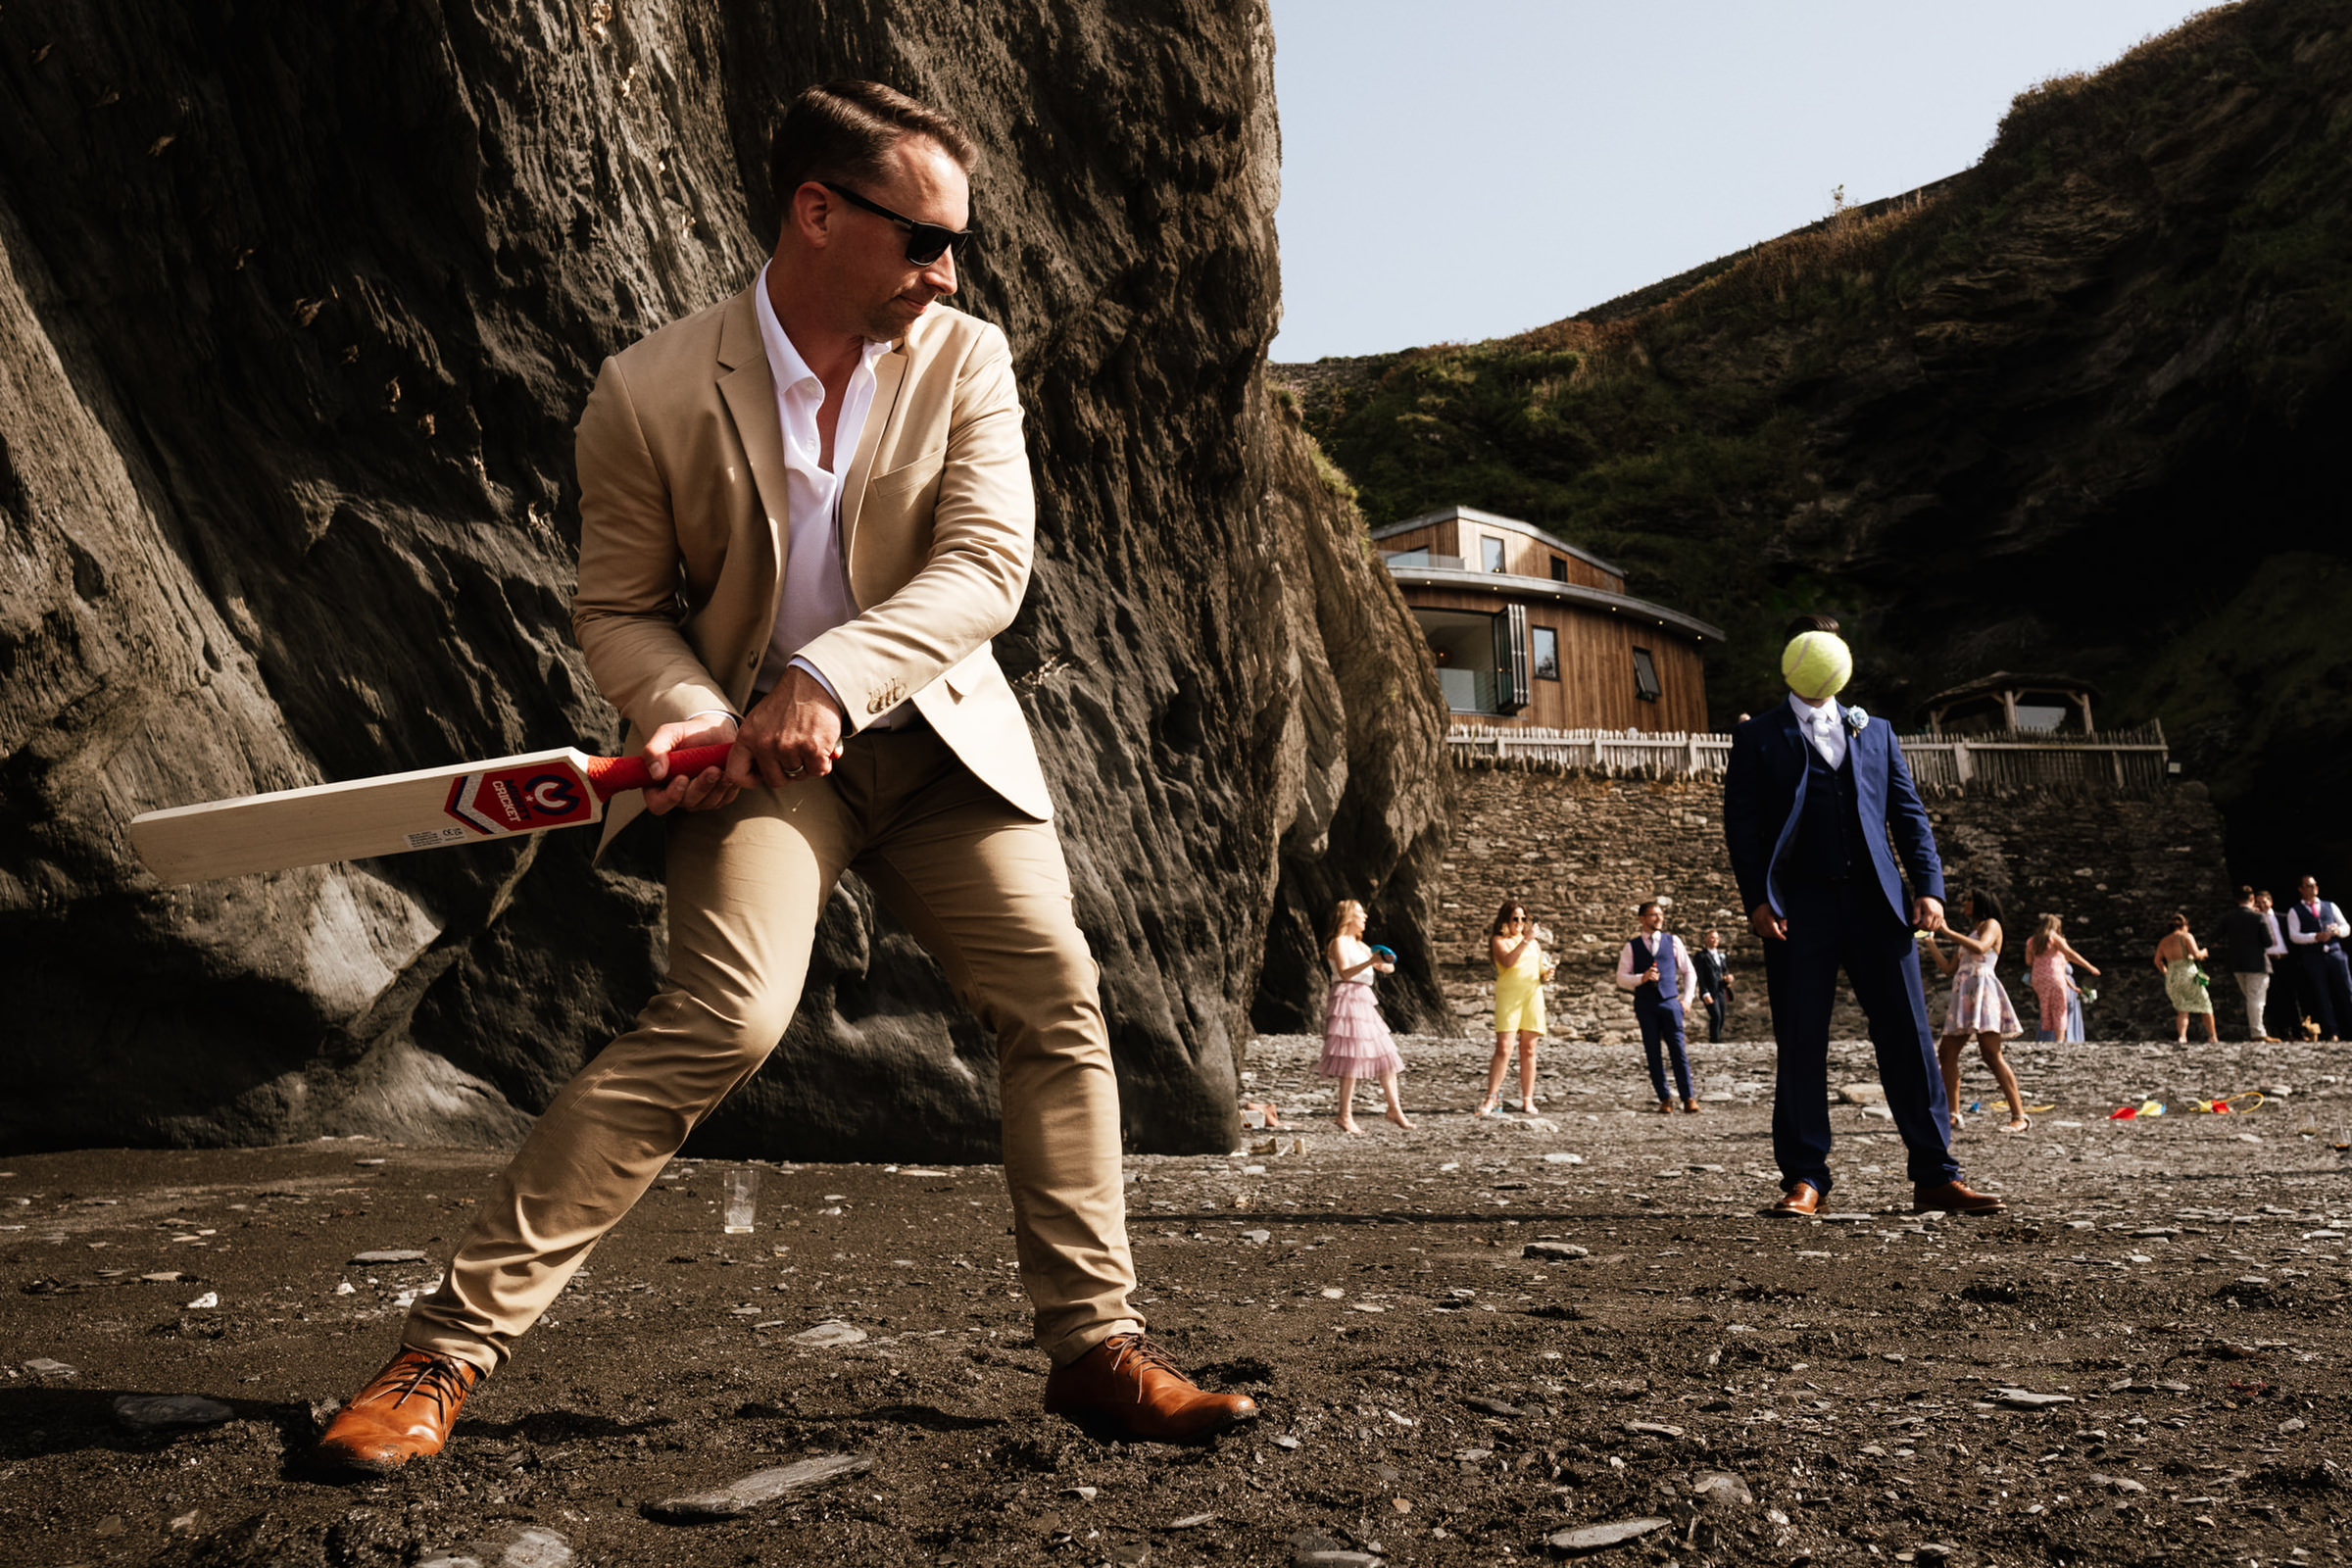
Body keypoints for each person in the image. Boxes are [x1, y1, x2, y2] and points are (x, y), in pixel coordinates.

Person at [312, 81, 1255, 1474]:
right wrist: (694, 715)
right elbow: (618, 607)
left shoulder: (968, 359)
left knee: (1056, 995)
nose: (949, 272)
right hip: (755, 770)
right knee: (726, 1018)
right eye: (925, 238)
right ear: (818, 211)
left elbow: (986, 568)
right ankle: (442, 1351)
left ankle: (1096, 1350)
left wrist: (825, 680)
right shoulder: (646, 389)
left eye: (958, 243)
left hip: (936, 747)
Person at [1723, 614, 2004, 1218]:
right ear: (1794, 659)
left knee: (1909, 1038)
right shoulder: (1758, 737)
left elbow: (1909, 815)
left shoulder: (1875, 731)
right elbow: (1742, 829)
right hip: (1799, 909)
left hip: (1880, 904)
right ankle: (1805, 1178)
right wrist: (1757, 900)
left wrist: (1930, 889)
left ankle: (1936, 1174)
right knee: (1801, 1041)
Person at [1925, 891, 2029, 1134]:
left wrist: (1948, 932)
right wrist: (1930, 943)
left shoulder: (1992, 925)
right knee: (1946, 1053)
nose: (1963, 904)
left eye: (1968, 900)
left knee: (1991, 1054)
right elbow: (1949, 968)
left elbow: (1982, 948)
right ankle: (1953, 1114)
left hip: (1984, 991)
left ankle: (2019, 1116)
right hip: (1964, 994)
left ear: (1981, 902)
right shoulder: (1970, 934)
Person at [1321, 901, 1410, 1134]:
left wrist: (1384, 962)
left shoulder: (1360, 944)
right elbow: (1344, 973)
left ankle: (1394, 1109)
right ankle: (1344, 1115)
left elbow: (1386, 968)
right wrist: (1370, 961)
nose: (1365, 917)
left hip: (1364, 999)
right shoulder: (1338, 942)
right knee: (1352, 1055)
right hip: (1346, 997)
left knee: (1385, 1052)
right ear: (1349, 917)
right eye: (1360, 913)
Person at [1616, 901, 1702, 1113]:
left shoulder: (1673, 941)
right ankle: (1665, 1098)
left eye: (1661, 914)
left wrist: (1687, 999)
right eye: (1654, 914)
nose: (1659, 918)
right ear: (1642, 919)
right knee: (1653, 1052)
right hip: (1645, 1005)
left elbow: (1689, 971)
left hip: (1670, 1002)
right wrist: (1641, 978)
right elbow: (1621, 978)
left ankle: (1688, 1097)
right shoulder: (1631, 947)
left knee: (1678, 1051)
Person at [1480, 902, 1553, 1116]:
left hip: (1531, 996)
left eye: (1523, 919)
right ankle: (1491, 1098)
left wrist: (1547, 974)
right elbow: (1508, 961)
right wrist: (1526, 940)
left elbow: (1539, 971)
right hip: (1509, 997)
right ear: (1506, 920)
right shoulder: (1499, 941)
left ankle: (1528, 1099)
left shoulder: (1534, 944)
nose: (1520, 923)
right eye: (1515, 919)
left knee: (1529, 1049)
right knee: (1504, 1047)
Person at [2283, 875, 2352, 1042]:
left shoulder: (2330, 906)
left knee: (2347, 990)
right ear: (2301, 889)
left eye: (2314, 885)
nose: (2313, 888)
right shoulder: (2295, 911)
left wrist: (2337, 931)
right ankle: (2332, 1031)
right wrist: (2315, 937)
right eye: (2309, 885)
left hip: (2335, 953)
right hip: (2313, 957)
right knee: (2322, 994)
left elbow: (2346, 927)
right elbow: (2294, 936)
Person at [2024, 912, 2099, 1044]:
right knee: (2059, 1008)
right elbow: (2070, 953)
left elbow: (2029, 961)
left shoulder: (2031, 941)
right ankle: (2059, 1040)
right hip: (2054, 976)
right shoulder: (2054, 937)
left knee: (2046, 1007)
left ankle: (2048, 1038)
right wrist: (2089, 966)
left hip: (2038, 978)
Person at [2220, 887, 2278, 1043]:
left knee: (2251, 997)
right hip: (2257, 963)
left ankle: (2258, 1029)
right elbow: (2268, 941)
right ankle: (2257, 1032)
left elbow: (2215, 936)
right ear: (2252, 898)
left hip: (2237, 963)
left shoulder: (2229, 917)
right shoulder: (2258, 917)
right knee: (2256, 999)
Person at [2154, 912, 2220, 1046]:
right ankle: (2212, 1036)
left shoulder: (2164, 941)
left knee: (2182, 1008)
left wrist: (2166, 972)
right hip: (2187, 973)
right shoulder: (2186, 936)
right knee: (2205, 1005)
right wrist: (2204, 952)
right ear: (2184, 926)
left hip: (2172, 976)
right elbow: (2196, 954)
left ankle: (2182, 1036)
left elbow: (2157, 961)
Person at [1691, 928, 1734, 1044]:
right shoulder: (1701, 956)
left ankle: (1717, 1038)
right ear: (1706, 939)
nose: (1715, 940)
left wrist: (1728, 978)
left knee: (1722, 1016)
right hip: (1709, 991)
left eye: (1717, 938)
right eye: (1712, 938)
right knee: (1716, 1015)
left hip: (1720, 990)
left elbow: (1724, 971)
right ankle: (1714, 1040)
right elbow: (1700, 975)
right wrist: (1705, 992)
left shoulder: (1721, 955)